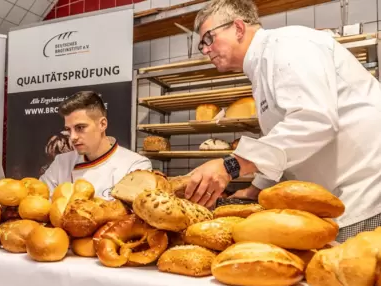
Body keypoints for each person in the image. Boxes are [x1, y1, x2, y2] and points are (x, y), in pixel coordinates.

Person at [184, 0, 381, 242]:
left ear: (237, 28)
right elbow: (284, 141)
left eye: (208, 39)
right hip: (335, 198)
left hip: (363, 195)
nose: (205, 50)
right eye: (202, 44)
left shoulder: (289, 45)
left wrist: (230, 166)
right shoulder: (263, 66)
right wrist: (257, 188)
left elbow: (313, 122)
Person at [40, 91, 152, 200]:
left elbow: (132, 215)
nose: (73, 137)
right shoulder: (61, 163)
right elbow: (40, 201)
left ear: (102, 124)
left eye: (80, 127)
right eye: (69, 129)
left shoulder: (135, 166)